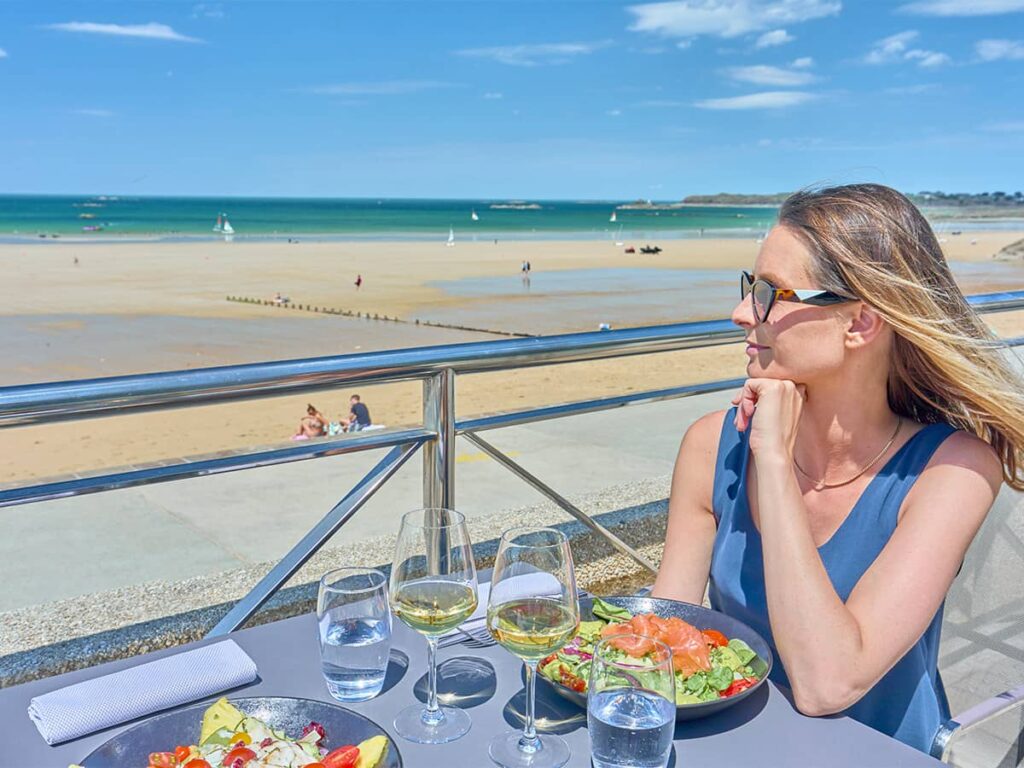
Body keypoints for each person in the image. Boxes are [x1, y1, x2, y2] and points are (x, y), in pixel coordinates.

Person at [651, 184, 1023, 754]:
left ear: (861, 324)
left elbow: (829, 683)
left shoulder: (955, 469)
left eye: (772, 293)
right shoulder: (710, 445)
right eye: (751, 288)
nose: (741, 313)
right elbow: (664, 639)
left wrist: (773, 462)